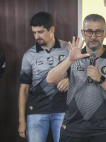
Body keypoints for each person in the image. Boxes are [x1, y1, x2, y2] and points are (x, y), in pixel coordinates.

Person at [46, 14, 106, 142]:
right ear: (82, 33)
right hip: (72, 129)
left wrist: (100, 78)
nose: (93, 36)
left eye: (98, 32)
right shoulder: (72, 56)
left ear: (105, 33)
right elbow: (50, 79)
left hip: (102, 130)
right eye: (89, 32)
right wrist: (70, 60)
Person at [18, 12, 69, 142]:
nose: (36, 36)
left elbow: (82, 76)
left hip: (63, 109)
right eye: (34, 32)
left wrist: (70, 80)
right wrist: (22, 121)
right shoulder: (29, 55)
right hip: (37, 110)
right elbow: (23, 89)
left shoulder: (68, 49)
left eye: (40, 32)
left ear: (52, 29)